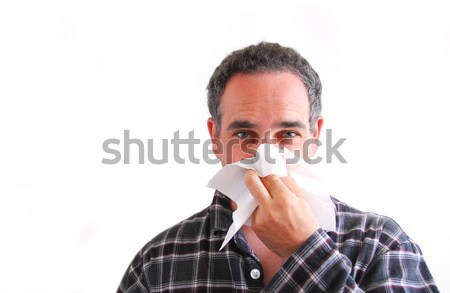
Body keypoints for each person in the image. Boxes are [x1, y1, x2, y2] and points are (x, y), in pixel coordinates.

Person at [117, 42, 438, 292]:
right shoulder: (159, 263)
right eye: (244, 134)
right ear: (215, 139)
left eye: (288, 134)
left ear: (313, 138)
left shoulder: (380, 246)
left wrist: (305, 249)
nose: (266, 157)